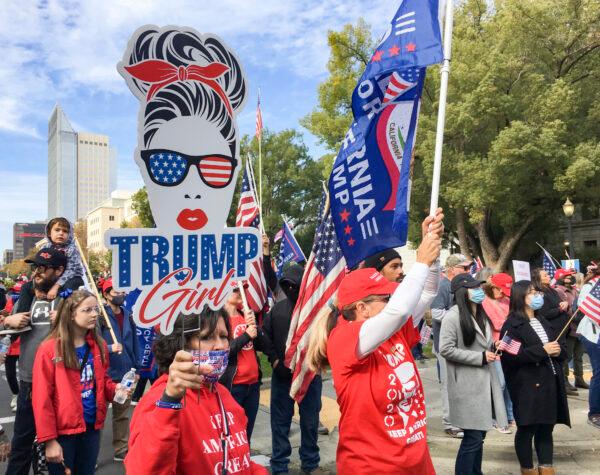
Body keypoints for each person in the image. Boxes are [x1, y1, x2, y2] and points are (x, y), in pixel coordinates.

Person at [306, 211, 443, 474]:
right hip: (372, 466)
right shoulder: (344, 338)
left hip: (416, 461)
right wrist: (421, 262)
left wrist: (432, 250)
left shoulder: (395, 331)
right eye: (385, 298)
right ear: (362, 308)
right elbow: (400, 310)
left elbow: (426, 292)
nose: (392, 301)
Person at [125, 309, 268, 474]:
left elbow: (240, 461)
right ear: (181, 345)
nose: (221, 345)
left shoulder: (222, 393)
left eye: (223, 336)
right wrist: (169, 402)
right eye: (206, 337)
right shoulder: (159, 400)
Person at [3, 248, 83, 474]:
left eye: (43, 268)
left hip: (63, 383)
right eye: (35, 267)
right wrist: (9, 319)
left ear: (59, 271)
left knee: (62, 449)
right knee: (21, 446)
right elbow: (7, 332)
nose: (36, 272)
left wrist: (68, 318)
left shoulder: (71, 298)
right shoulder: (27, 294)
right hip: (29, 382)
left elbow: (92, 329)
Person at [32, 289, 124, 474]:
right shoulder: (49, 349)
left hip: (92, 427)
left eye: (96, 309)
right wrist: (49, 440)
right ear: (71, 314)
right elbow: (42, 398)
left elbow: (101, 380)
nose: (94, 314)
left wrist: (115, 389)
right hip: (63, 433)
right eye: (87, 310)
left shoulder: (98, 345)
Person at [440, 273, 508, 475]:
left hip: (485, 382)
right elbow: (446, 349)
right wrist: (479, 357)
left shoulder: (480, 312)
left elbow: (483, 343)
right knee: (473, 438)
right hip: (466, 384)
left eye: (479, 287)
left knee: (479, 436)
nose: (479, 291)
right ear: (462, 292)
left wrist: (494, 345)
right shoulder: (452, 316)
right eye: (474, 288)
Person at [261, 258, 324, 475]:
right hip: (282, 376)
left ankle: (310, 462)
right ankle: (279, 466)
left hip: (309, 374)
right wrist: (275, 360)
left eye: (294, 286)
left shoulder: (315, 311)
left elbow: (324, 339)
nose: (290, 289)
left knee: (310, 421)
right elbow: (264, 337)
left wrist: (316, 360)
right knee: (280, 423)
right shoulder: (277, 310)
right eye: (286, 285)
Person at [500, 281, 570, 475]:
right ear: (519, 297)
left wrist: (557, 351)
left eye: (537, 291)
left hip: (550, 382)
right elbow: (511, 355)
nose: (537, 295)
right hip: (527, 385)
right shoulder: (511, 324)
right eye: (532, 292)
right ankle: (528, 469)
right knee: (528, 428)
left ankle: (546, 467)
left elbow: (560, 346)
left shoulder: (543, 320)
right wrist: (542, 350)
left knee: (546, 428)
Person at [220, 283, 273, 442]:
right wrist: (246, 336)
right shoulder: (219, 319)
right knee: (232, 433)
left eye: (243, 289)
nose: (240, 293)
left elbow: (263, 345)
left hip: (253, 384)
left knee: (247, 433)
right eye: (236, 290)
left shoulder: (245, 315)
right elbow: (222, 352)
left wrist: (255, 326)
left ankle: (245, 463)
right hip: (233, 385)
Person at [430, 253, 472, 438]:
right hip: (445, 344)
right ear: (452, 268)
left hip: (462, 343)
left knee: (461, 384)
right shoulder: (442, 286)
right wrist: (459, 318)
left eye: (468, 268)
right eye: (464, 268)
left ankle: (462, 419)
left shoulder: (463, 285)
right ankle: (450, 423)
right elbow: (436, 313)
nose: (468, 271)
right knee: (448, 385)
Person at [101, 278, 140, 462]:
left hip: (126, 372)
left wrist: (137, 366)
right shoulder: (100, 316)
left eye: (122, 292)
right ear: (106, 294)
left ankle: (121, 449)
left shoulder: (128, 314)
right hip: (106, 372)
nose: (121, 295)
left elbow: (134, 342)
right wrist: (109, 348)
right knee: (98, 415)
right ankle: (89, 453)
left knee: (122, 414)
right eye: (116, 292)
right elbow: (92, 344)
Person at [531, 268, 573, 394]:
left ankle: (563, 382)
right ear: (538, 278)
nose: (549, 276)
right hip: (552, 331)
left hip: (562, 330)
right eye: (545, 275)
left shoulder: (552, 290)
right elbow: (544, 313)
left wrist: (565, 304)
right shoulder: (538, 293)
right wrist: (559, 310)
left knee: (563, 356)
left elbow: (560, 304)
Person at [482, 272, 515, 432]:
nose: (502, 293)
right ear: (492, 286)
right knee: (499, 384)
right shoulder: (484, 302)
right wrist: (510, 323)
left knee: (508, 383)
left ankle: (509, 415)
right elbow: (497, 324)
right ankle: (495, 417)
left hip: (508, 345)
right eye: (500, 290)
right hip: (493, 347)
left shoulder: (507, 300)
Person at [576, 263, 600, 430]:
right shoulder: (591, 286)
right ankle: (595, 413)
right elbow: (585, 307)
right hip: (593, 334)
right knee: (599, 372)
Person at [554, 269, 587, 390]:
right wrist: (573, 314)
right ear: (560, 277)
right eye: (566, 276)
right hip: (568, 328)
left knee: (579, 356)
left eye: (570, 276)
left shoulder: (575, 290)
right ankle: (565, 380)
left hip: (579, 328)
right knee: (566, 357)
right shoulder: (558, 291)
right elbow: (563, 309)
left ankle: (579, 378)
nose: (569, 278)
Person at [39, 217, 85, 301]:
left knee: (68, 288)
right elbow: (38, 267)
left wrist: (56, 287)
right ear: (49, 233)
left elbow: (70, 271)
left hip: (71, 277)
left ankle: (64, 310)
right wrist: (37, 288)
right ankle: (22, 312)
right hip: (52, 277)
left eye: (65, 231)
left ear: (69, 234)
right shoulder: (44, 248)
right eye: (57, 230)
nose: (61, 233)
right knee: (27, 287)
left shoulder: (72, 249)